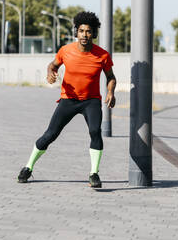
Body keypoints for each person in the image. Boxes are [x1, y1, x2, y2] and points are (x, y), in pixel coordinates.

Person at [17, 11, 116, 188]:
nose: (84, 35)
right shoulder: (66, 51)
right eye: (81, 31)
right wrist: (50, 74)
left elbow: (111, 77)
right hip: (68, 100)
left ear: (94, 33)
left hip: (90, 101)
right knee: (50, 135)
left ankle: (94, 174)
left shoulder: (102, 55)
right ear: (76, 32)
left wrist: (111, 92)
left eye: (88, 31)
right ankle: (28, 167)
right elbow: (52, 65)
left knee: (95, 131)